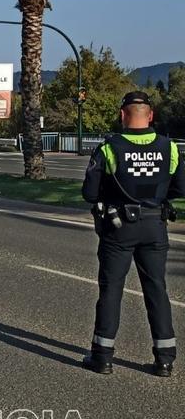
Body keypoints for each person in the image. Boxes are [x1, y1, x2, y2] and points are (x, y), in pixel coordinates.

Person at [81, 91, 185, 377]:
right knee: (156, 290)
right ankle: (165, 359)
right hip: (155, 226)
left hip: (119, 228)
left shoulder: (109, 148)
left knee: (111, 289)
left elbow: (89, 193)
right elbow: (180, 188)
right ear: (150, 115)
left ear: (122, 115)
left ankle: (102, 357)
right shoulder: (170, 148)